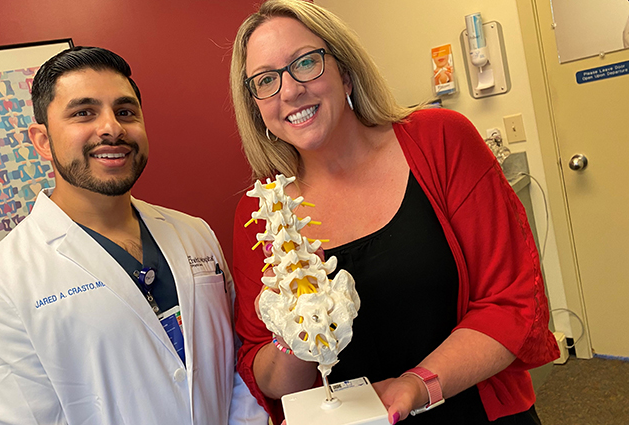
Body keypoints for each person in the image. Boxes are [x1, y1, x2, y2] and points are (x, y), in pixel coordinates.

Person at [228, 1, 560, 424]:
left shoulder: (441, 142)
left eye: (306, 62)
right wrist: (297, 332)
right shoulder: (261, 213)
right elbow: (268, 375)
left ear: (344, 70)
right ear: (255, 103)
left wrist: (417, 386)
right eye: (266, 80)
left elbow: (512, 302)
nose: (289, 91)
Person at [0, 46, 267, 425]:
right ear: (42, 141)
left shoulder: (194, 233)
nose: (112, 128)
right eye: (83, 113)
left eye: (125, 112)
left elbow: (238, 368)